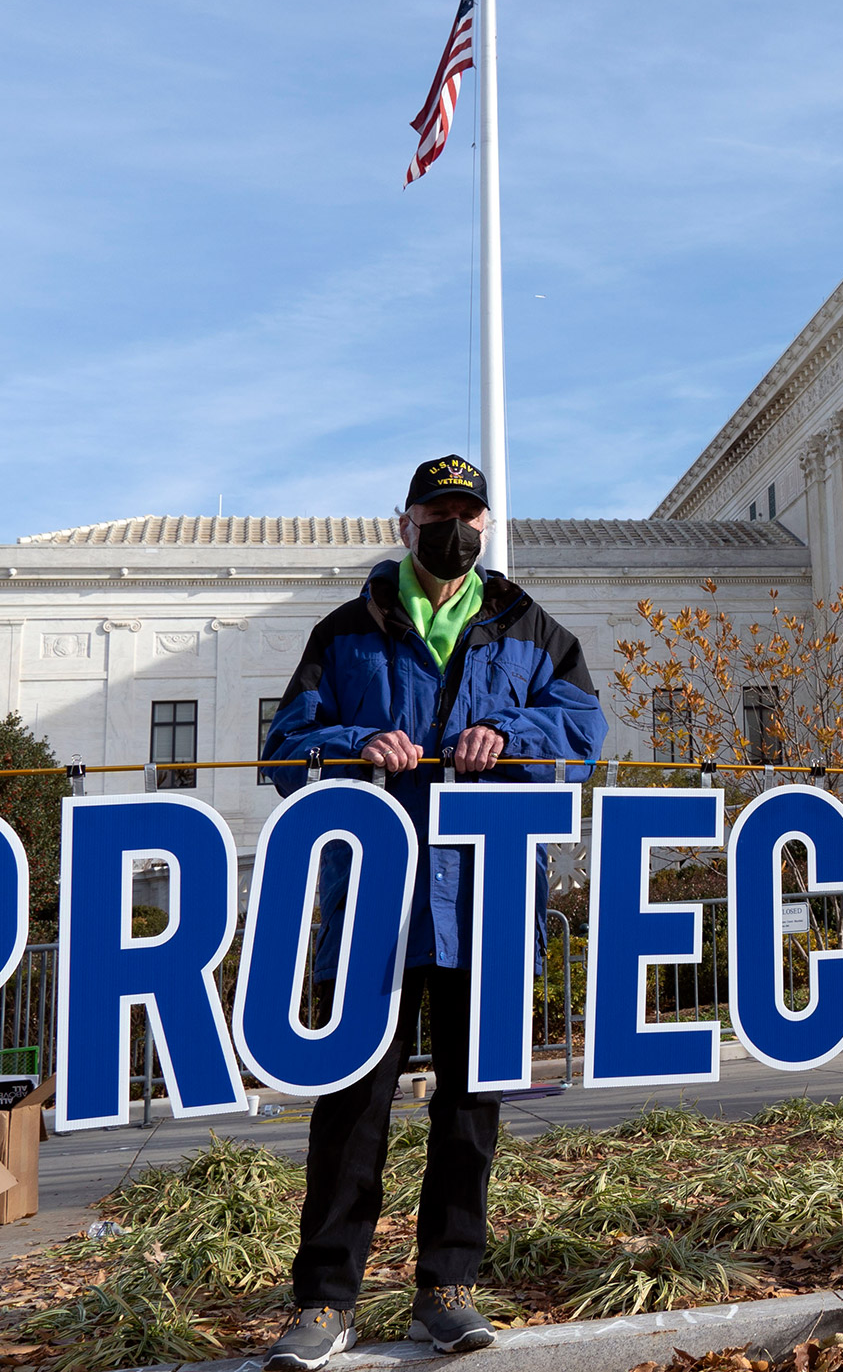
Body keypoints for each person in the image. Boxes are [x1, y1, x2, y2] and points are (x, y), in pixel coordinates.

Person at [260, 456, 608, 1369]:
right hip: (375, 905)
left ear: (484, 526)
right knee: (350, 1109)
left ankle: (446, 1287)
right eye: (437, 512)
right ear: (404, 524)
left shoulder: (533, 630)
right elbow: (284, 746)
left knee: (470, 1109)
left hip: (488, 903)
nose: (455, 527)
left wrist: (514, 734)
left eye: (469, 513)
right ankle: (325, 1300)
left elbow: (581, 732)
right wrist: (352, 742)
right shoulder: (346, 632)